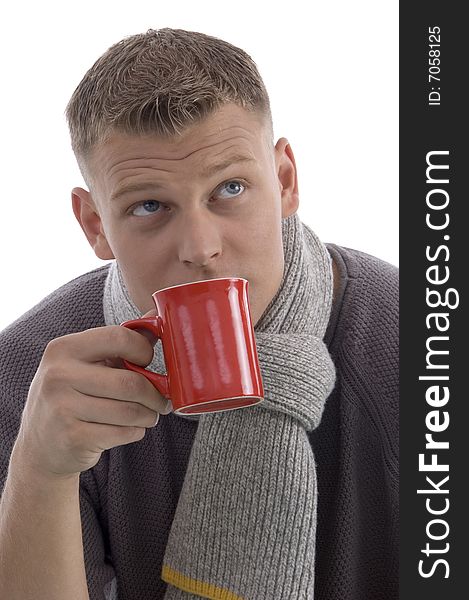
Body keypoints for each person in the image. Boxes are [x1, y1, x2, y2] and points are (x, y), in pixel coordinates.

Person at [0, 28, 398, 600]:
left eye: (230, 188)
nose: (200, 246)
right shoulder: (29, 385)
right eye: (149, 206)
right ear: (94, 225)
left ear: (285, 181)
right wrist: (41, 473)